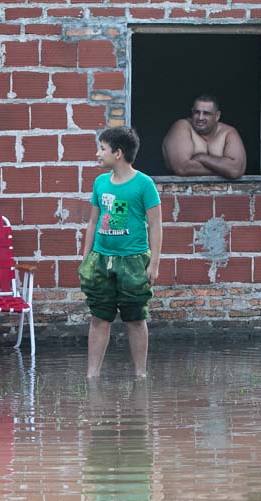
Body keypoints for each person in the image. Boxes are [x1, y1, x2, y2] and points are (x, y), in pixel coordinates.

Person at [79, 126, 162, 379]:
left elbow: (156, 224)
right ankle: (92, 375)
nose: (97, 154)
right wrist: (86, 258)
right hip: (102, 259)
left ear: (118, 153)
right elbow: (93, 222)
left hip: (134, 260)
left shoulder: (144, 184)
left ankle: (140, 374)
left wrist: (154, 263)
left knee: (136, 318)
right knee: (98, 317)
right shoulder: (100, 183)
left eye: (102, 149)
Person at [161, 94, 246, 179]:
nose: (200, 117)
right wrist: (225, 170)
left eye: (206, 113)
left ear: (217, 116)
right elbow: (183, 168)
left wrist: (201, 157)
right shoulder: (182, 126)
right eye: (197, 112)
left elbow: (235, 170)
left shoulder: (228, 132)